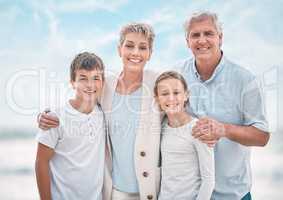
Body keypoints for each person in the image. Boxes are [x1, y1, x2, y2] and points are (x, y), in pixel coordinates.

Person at [38, 23, 162, 200]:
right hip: (115, 191)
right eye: (129, 45)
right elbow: (80, 103)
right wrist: (44, 115)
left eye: (142, 47)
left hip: (151, 188)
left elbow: (178, 108)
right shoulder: (106, 86)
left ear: (150, 53)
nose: (135, 52)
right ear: (119, 50)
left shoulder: (158, 82)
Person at [179, 11, 270, 200]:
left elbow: (262, 137)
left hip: (232, 195)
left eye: (208, 33)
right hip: (190, 193)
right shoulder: (177, 76)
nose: (202, 40)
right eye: (195, 35)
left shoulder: (245, 80)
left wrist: (224, 130)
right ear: (187, 41)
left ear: (220, 38)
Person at [35, 52, 106, 200]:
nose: (90, 84)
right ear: (72, 82)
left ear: (102, 82)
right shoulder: (55, 119)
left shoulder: (103, 114)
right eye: (83, 78)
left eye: (95, 78)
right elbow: (41, 162)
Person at [154, 71, 215, 200]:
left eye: (176, 93)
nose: (171, 98)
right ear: (157, 99)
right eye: (164, 94)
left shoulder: (198, 129)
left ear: (186, 95)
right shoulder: (161, 126)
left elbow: (209, 180)